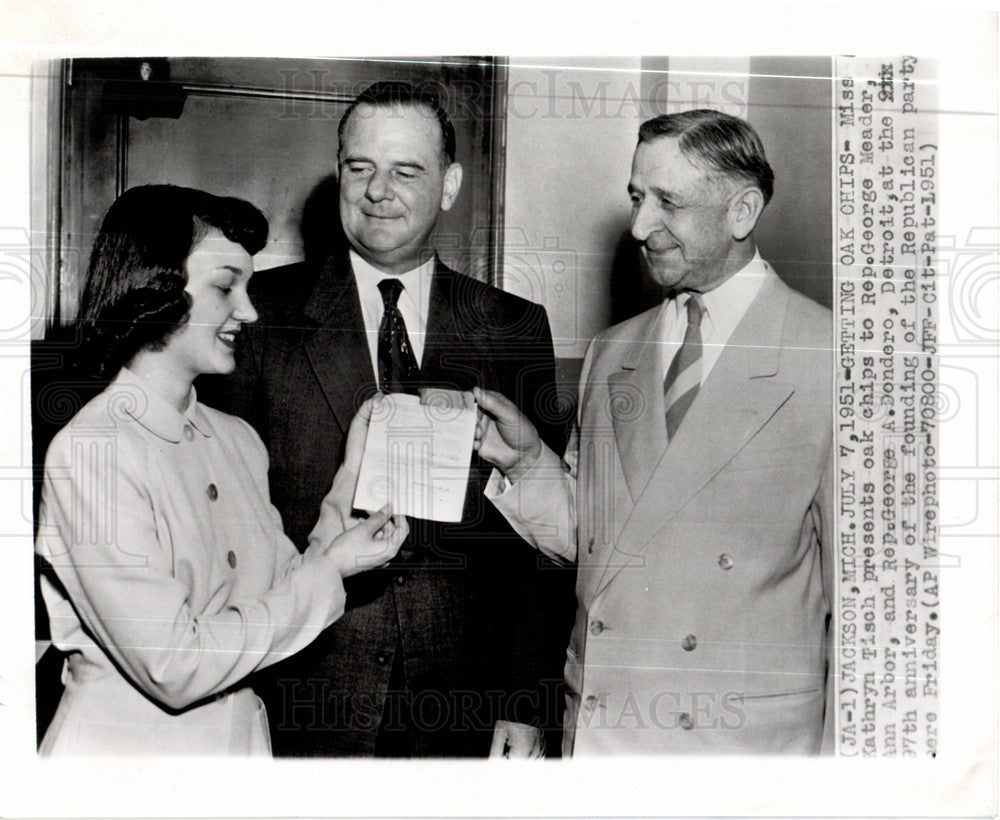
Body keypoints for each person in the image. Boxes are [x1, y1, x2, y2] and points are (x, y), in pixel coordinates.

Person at [198, 81, 574, 757]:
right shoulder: (257, 315)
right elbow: (218, 517)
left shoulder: (512, 326)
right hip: (301, 686)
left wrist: (527, 698)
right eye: (359, 168)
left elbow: (542, 549)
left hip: (466, 699)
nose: (378, 191)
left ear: (450, 185)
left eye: (406, 171)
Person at [475, 109, 835, 756]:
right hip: (607, 735)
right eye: (638, 198)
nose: (640, 228)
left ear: (741, 211)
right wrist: (530, 465)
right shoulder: (615, 350)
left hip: (743, 754)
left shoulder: (831, 357)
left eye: (669, 201)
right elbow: (598, 544)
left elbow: (864, 612)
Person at [35, 185, 407, 755]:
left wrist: (354, 476)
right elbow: (175, 665)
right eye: (225, 286)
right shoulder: (93, 452)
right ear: (157, 286)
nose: (249, 311)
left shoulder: (236, 439)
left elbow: (288, 587)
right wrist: (323, 576)